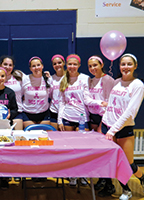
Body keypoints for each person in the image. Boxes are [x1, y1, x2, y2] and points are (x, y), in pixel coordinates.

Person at [100, 54, 144, 200]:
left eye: (129, 64)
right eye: (123, 64)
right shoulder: (117, 82)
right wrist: (105, 124)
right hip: (108, 128)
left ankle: (142, 178)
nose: (125, 67)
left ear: (135, 66)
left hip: (123, 129)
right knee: (114, 162)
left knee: (129, 163)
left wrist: (113, 130)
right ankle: (126, 190)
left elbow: (130, 113)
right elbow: (111, 105)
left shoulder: (138, 85)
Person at [57, 54, 104, 186]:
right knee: (68, 149)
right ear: (67, 65)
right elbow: (61, 101)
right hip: (67, 118)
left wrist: (101, 103)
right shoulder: (64, 79)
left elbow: (88, 99)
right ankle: (71, 175)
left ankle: (83, 175)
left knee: (83, 149)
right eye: (69, 64)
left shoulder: (84, 78)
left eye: (74, 64)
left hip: (82, 118)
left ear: (78, 65)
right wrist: (60, 120)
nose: (72, 67)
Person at [22, 56, 51, 129]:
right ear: (30, 68)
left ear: (42, 66)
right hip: (28, 114)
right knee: (30, 137)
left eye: (38, 65)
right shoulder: (25, 79)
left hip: (44, 114)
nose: (36, 67)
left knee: (44, 137)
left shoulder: (48, 79)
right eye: (33, 66)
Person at [87, 56, 115, 132]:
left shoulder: (108, 80)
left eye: (95, 65)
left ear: (101, 65)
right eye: (90, 66)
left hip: (104, 116)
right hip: (92, 115)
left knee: (101, 140)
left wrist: (105, 118)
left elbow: (110, 101)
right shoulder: (91, 81)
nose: (92, 68)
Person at [0, 55, 24, 130]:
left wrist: (46, 77)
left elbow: (33, 78)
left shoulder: (19, 76)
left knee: (18, 137)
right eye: (5, 64)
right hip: (0, 113)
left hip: (17, 112)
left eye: (10, 65)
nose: (7, 67)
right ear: (0, 65)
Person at [49, 54, 65, 130]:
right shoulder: (51, 78)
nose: (57, 65)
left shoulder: (69, 77)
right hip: (54, 111)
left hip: (66, 112)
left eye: (59, 63)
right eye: (54, 64)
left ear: (64, 63)